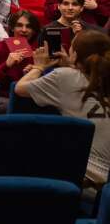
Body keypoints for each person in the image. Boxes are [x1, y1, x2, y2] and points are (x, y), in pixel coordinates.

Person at [14, 30, 110, 182]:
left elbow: (19, 89)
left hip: (88, 175)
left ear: (75, 55)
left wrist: (39, 67)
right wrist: (72, 66)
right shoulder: (103, 78)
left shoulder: (65, 76)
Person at [0, 10, 41, 100]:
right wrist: (5, 66)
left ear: (33, 31)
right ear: (12, 28)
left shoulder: (37, 52)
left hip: (29, 99)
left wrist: (35, 72)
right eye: (19, 25)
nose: (24, 30)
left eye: (28, 26)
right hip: (2, 98)